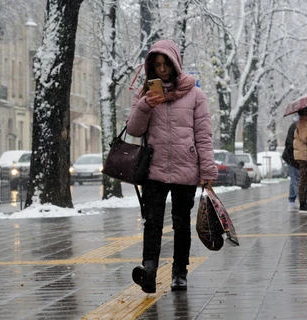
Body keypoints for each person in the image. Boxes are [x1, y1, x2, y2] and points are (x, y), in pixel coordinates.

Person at [126, 39, 218, 293]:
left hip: (185, 169)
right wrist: (145, 104)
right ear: (151, 67)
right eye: (157, 65)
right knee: (152, 222)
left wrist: (208, 171)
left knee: (181, 224)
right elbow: (134, 129)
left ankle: (180, 273)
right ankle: (149, 271)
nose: (162, 69)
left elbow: (203, 135)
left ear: (176, 64)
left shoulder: (195, 94)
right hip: (153, 169)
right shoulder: (144, 93)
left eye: (166, 64)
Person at [282, 116, 300, 211]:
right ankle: (301, 201)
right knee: (296, 179)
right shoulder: (295, 127)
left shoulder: (295, 126)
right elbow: (289, 143)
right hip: (292, 157)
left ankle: (292, 201)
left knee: (294, 179)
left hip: (292, 156)